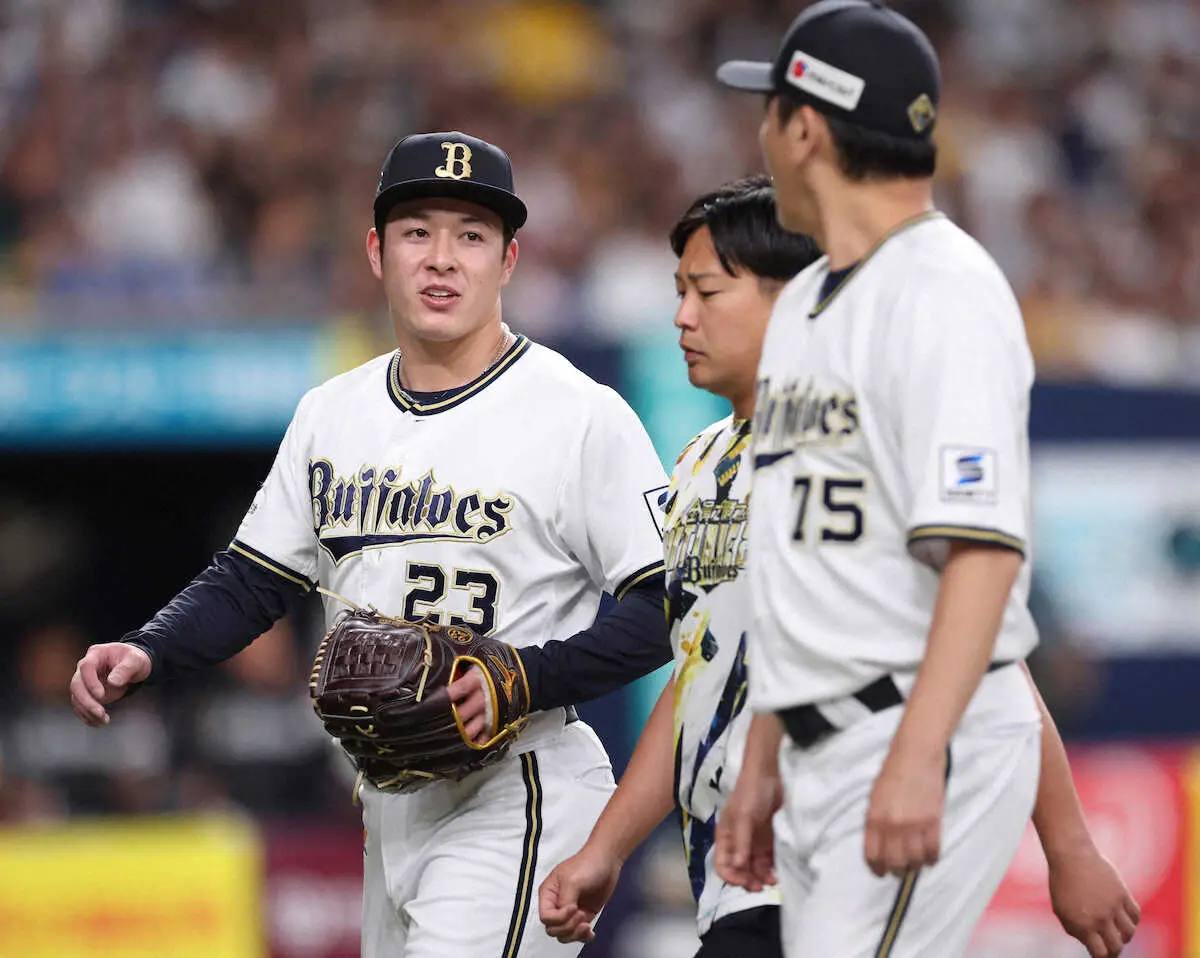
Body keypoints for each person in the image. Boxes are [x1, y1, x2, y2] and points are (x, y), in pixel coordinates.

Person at [69, 130, 674, 958]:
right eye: (418, 231)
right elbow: (252, 581)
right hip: (388, 800)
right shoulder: (333, 412)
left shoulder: (578, 413)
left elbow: (663, 608)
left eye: (472, 234)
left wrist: (526, 676)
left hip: (519, 782)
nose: (442, 258)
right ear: (376, 251)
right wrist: (151, 648)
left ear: (508, 260)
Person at [538, 176, 1140, 958]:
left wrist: (1070, 849)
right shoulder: (696, 465)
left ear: (791, 300)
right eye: (678, 292)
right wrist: (607, 848)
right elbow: (696, 673)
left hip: (835, 834)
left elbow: (989, 653)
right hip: (729, 863)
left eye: (707, 292)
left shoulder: (854, 448)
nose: (682, 317)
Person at [709, 5, 1141, 955]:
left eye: (769, 110)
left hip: (914, 729)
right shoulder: (811, 305)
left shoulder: (943, 291)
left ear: (807, 126)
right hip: (827, 740)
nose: (762, 134)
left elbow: (982, 554)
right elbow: (808, 572)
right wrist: (765, 758)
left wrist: (916, 756)